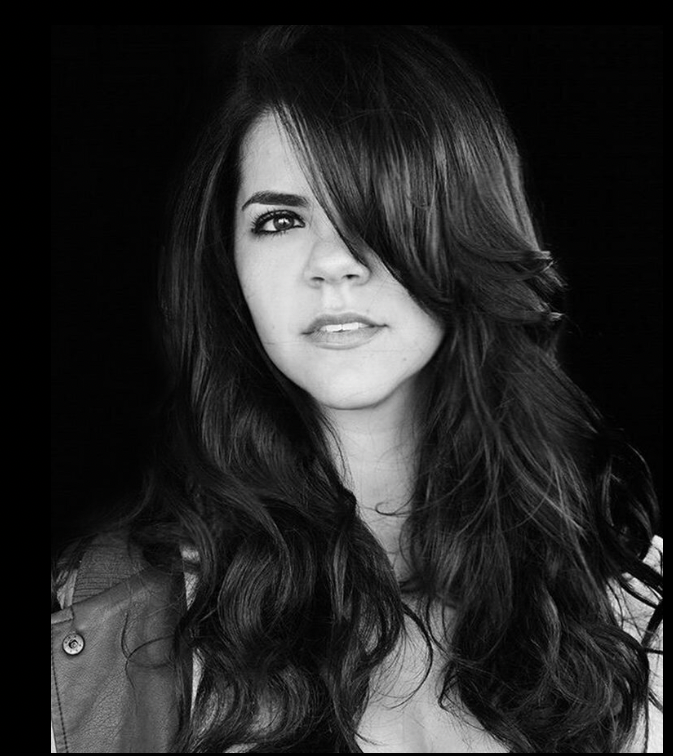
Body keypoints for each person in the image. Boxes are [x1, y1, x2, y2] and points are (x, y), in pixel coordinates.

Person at [51, 25, 662, 753]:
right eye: (280, 220)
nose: (333, 262)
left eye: (374, 205)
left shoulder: (628, 609)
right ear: (230, 266)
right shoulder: (109, 628)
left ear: (466, 230)